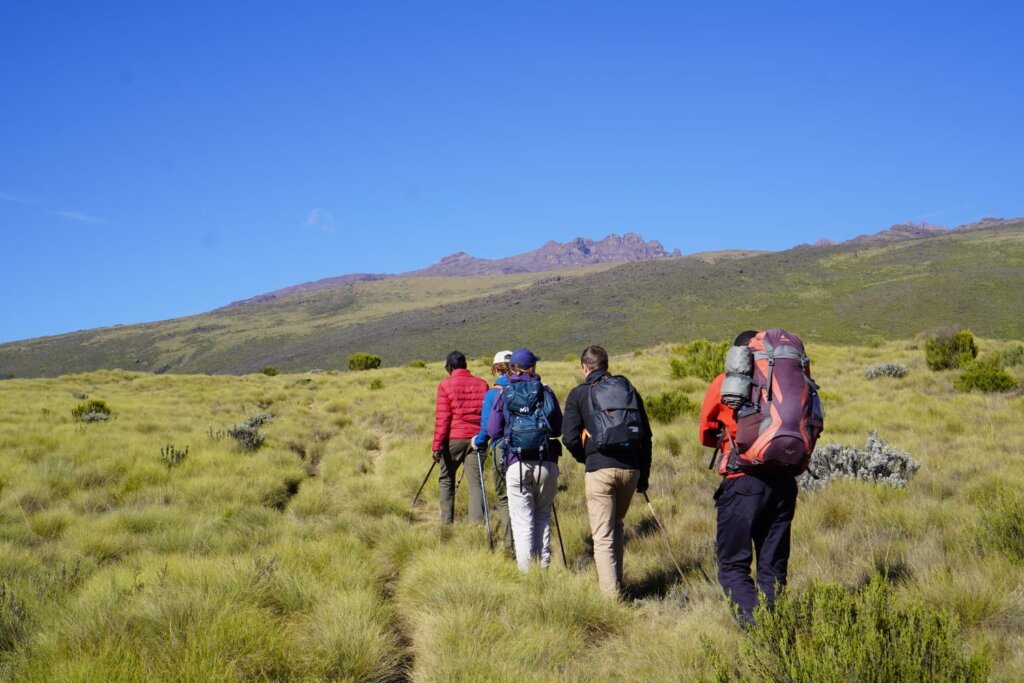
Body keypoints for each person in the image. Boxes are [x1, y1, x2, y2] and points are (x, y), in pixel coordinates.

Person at [699, 330, 799, 626]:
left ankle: (758, 632)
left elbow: (705, 434)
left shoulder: (726, 383)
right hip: (783, 481)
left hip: (742, 480)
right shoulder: (785, 382)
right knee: (772, 568)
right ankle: (776, 629)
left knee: (732, 566)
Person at [562, 345, 652, 596]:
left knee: (602, 536)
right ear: (606, 364)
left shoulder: (579, 394)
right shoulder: (627, 390)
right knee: (618, 525)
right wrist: (642, 476)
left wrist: (588, 458)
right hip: (631, 469)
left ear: (585, 367)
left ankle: (611, 600)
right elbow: (647, 436)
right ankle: (619, 585)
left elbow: (568, 438)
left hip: (599, 470)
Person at [487, 348, 563, 571]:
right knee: (542, 516)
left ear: (512, 368)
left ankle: (527, 576)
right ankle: (543, 569)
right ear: (533, 367)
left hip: (516, 462)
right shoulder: (545, 390)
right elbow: (557, 428)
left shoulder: (504, 392)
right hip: (546, 461)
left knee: (522, 522)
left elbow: (493, 430)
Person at [432, 350, 489, 525]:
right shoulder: (482, 384)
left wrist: (436, 446)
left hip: (453, 440)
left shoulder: (445, 385)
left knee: (446, 479)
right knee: (475, 484)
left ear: (449, 367)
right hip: (476, 440)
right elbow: (486, 416)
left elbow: (443, 418)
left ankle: (446, 523)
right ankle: (476, 526)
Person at [473, 349, 514, 554]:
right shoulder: (527, 389)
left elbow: (487, 428)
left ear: (496, 368)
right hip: (528, 450)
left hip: (501, 448)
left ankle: (510, 546)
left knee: (504, 497)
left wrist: (478, 442)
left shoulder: (492, 394)